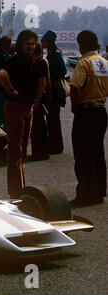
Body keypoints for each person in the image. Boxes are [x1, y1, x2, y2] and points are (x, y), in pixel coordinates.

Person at [0, 30, 47, 198]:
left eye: (33, 43)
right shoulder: (15, 60)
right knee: (15, 151)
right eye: (28, 44)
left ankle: (20, 187)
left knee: (23, 151)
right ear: (20, 44)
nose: (31, 47)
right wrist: (11, 90)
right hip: (15, 107)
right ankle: (16, 190)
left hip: (27, 108)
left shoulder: (34, 61)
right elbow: (1, 74)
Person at [69, 30, 108, 207]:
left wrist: (74, 106)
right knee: (98, 153)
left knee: (82, 155)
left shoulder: (83, 63)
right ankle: (99, 192)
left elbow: (75, 87)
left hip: (85, 112)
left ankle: (85, 194)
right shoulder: (104, 63)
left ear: (81, 45)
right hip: (100, 110)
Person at [41, 30, 68, 154]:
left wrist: (48, 74)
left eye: (44, 40)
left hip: (55, 90)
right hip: (52, 89)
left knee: (53, 119)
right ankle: (54, 144)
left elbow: (63, 71)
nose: (42, 42)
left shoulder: (55, 55)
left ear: (49, 42)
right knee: (52, 119)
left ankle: (56, 146)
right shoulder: (52, 53)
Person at [29, 42, 51, 161]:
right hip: (38, 97)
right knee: (38, 126)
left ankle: (41, 152)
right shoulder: (38, 62)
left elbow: (42, 82)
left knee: (39, 126)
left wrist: (37, 100)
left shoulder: (40, 63)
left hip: (39, 98)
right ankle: (39, 151)